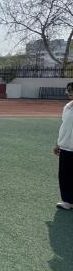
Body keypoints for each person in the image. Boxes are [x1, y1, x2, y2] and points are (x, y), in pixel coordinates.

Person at [53, 82, 73, 210]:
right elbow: (64, 126)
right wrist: (58, 144)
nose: (68, 92)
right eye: (68, 90)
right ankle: (67, 200)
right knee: (64, 175)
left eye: (70, 90)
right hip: (65, 147)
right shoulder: (67, 107)